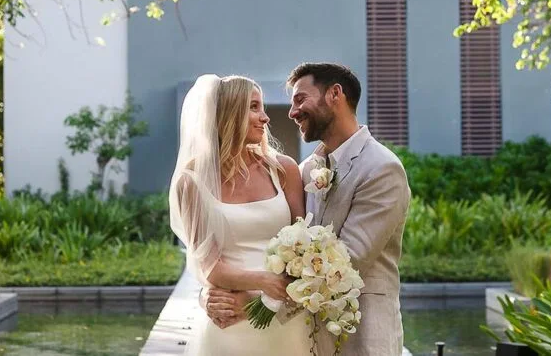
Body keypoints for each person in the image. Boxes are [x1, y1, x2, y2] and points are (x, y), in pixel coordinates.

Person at [205, 63, 411, 355]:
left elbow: (348, 260)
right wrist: (214, 294)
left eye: (300, 99)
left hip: (360, 334)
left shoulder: (382, 169)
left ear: (335, 95)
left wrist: (256, 301)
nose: (292, 112)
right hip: (304, 336)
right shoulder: (306, 169)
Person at [169, 74, 309, 355]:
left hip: (286, 317)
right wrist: (262, 283)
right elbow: (209, 265)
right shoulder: (192, 182)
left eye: (263, 107)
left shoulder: (284, 170)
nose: (265, 118)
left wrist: (265, 299)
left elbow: (305, 247)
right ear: (228, 113)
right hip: (229, 319)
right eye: (254, 107)